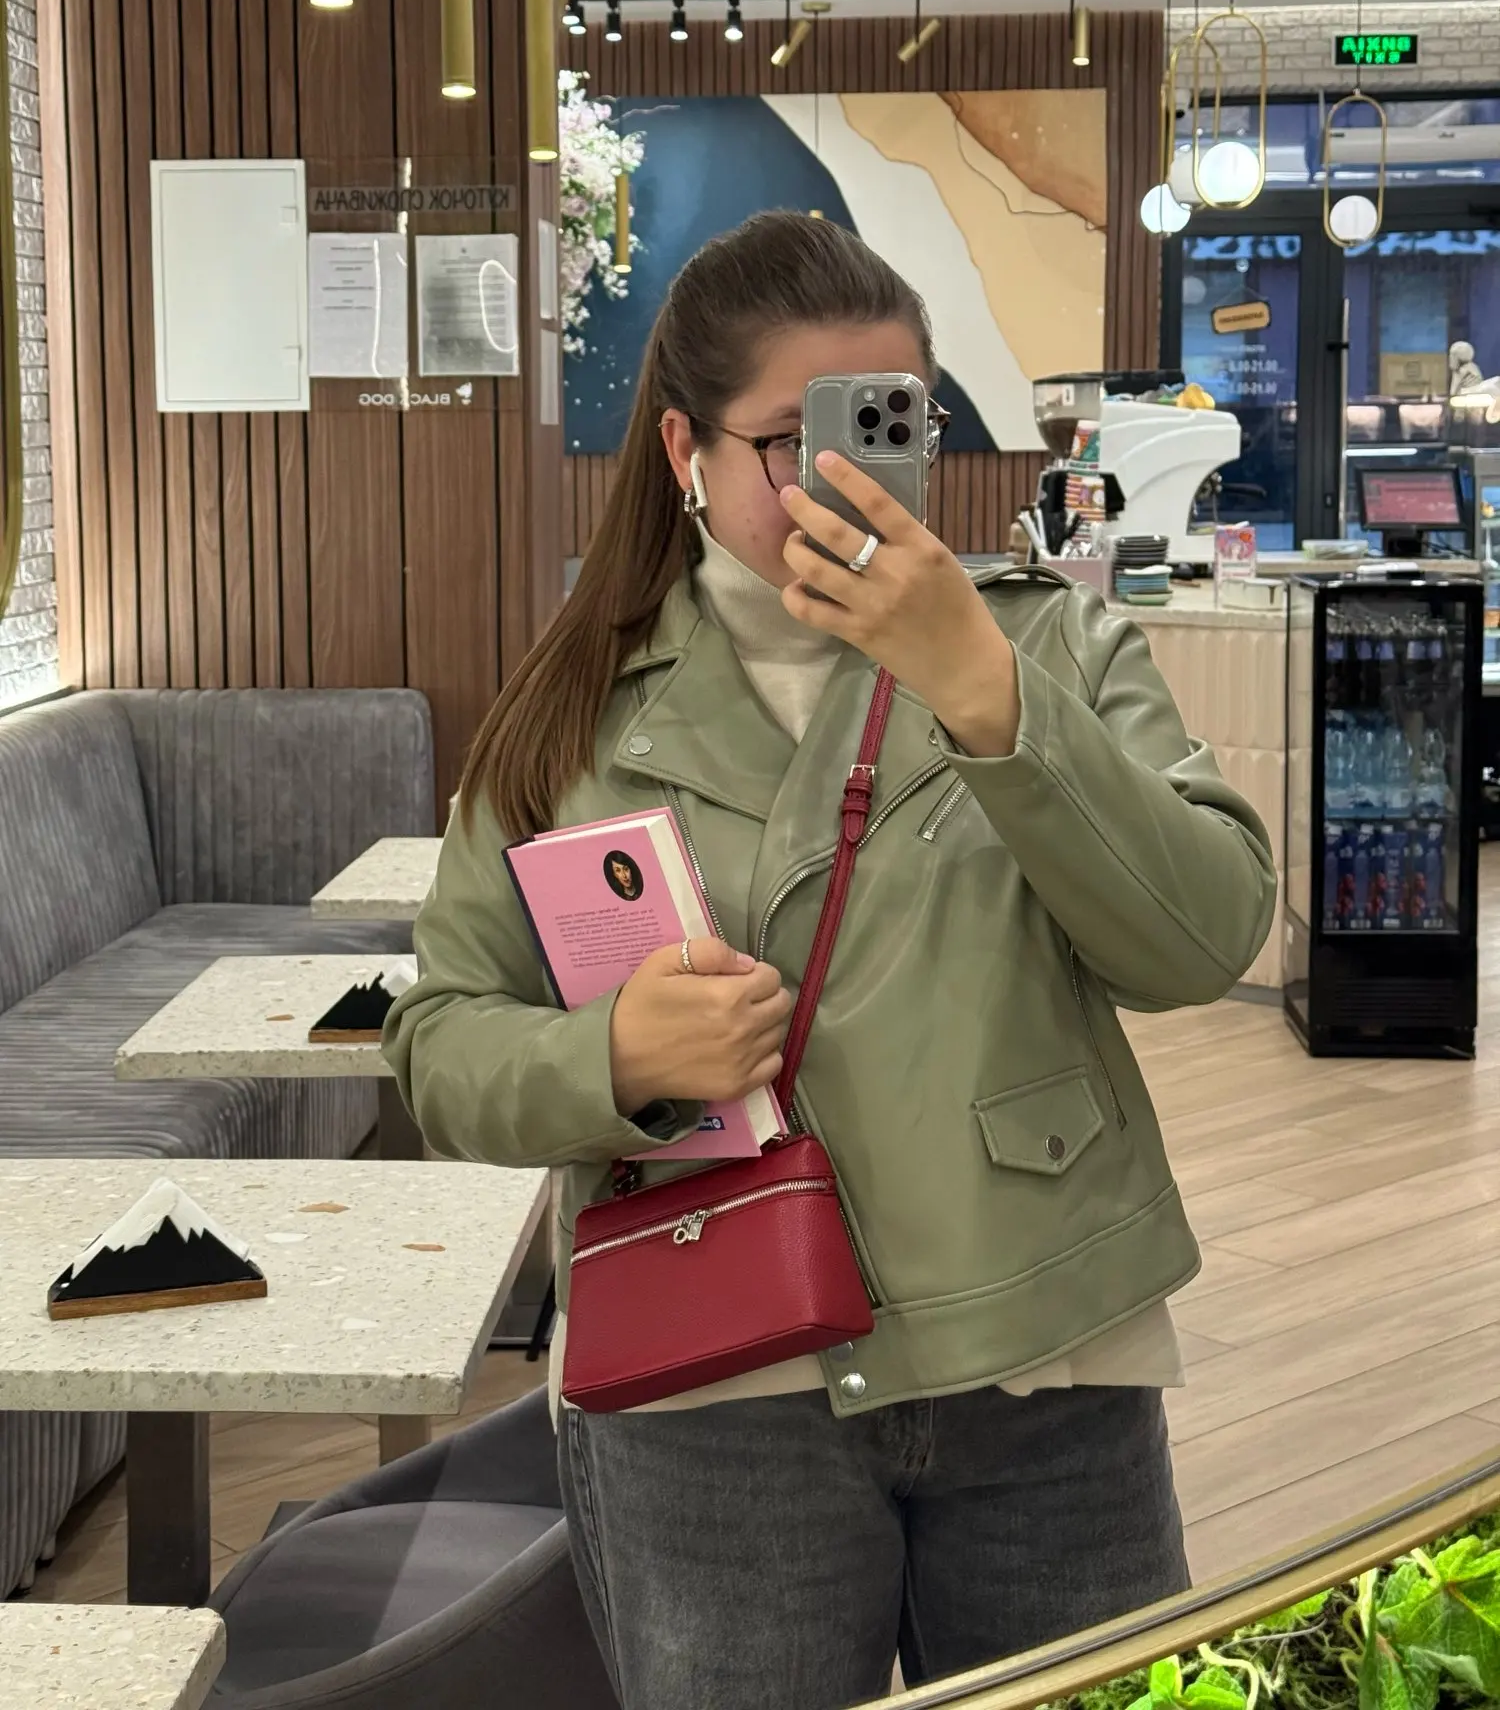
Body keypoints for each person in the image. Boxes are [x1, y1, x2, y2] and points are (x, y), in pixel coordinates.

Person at [384, 212, 1277, 1710]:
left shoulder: (1047, 651)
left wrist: (986, 695)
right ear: (686, 449)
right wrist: (613, 1058)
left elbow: (1203, 939)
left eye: (892, 423)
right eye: (799, 439)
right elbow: (439, 1045)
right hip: (712, 1382)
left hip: (1041, 1346)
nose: (852, 478)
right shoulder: (573, 710)